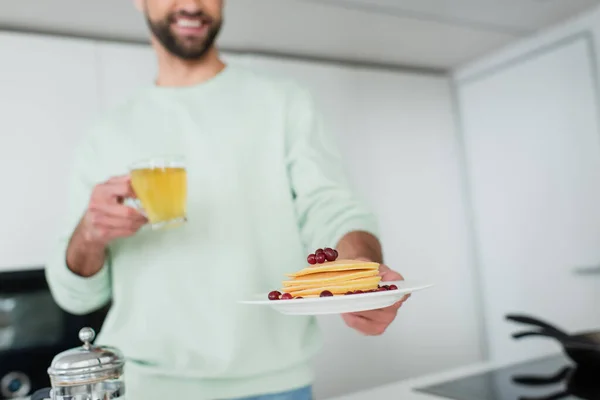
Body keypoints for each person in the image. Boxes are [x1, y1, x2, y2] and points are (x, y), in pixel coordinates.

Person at [45, 0, 409, 399]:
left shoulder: (284, 102)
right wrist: (90, 234)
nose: (191, 4)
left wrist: (358, 271)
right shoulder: (106, 131)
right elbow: (76, 296)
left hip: (275, 385)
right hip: (144, 386)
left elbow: (333, 208)